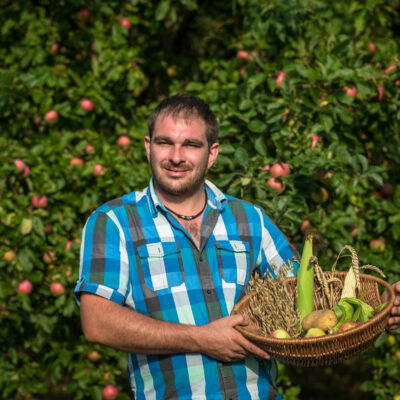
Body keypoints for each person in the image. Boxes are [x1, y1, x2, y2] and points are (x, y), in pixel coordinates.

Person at [75, 94, 400, 400]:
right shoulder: (114, 222)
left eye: (190, 145)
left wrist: (376, 308)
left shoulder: (249, 220)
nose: (176, 156)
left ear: (211, 153)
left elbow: (309, 299)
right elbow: (97, 321)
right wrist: (201, 339)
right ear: (148, 147)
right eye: (165, 143)